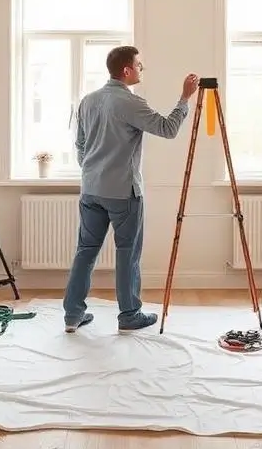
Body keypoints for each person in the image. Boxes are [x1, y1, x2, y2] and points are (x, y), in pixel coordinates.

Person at [63, 45, 200, 333]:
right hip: (123, 192)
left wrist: (92, 169)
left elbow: (80, 146)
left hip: (90, 189)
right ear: (126, 70)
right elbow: (167, 128)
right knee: (127, 253)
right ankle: (129, 316)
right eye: (139, 65)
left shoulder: (88, 101)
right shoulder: (129, 102)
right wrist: (184, 98)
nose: (141, 69)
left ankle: (73, 315)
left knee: (85, 251)